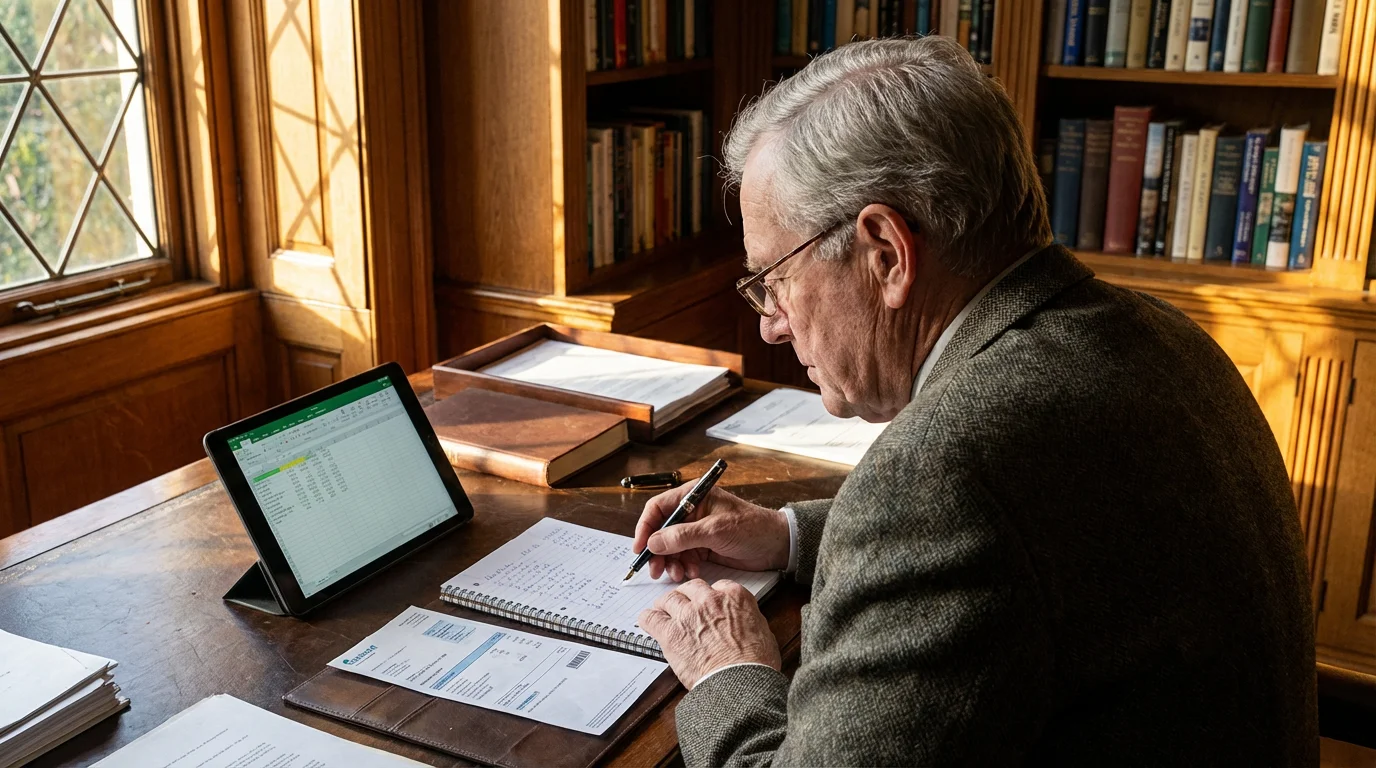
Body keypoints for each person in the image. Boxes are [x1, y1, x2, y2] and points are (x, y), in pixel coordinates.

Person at [631, 35, 1318, 766]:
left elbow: (960, 515)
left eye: (774, 276)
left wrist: (727, 672)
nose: (770, 321)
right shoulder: (1159, 334)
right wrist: (790, 536)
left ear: (887, 254)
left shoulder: (941, 477)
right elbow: (1036, 533)